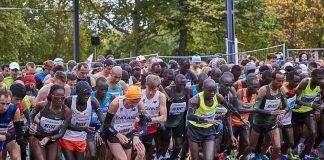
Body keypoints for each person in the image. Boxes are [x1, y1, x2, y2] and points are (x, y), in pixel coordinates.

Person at [187, 78, 248, 160]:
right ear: (203, 89)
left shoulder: (218, 97)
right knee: (195, 158)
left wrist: (241, 118)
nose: (212, 93)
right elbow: (190, 116)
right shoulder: (195, 99)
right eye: (210, 91)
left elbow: (230, 108)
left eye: (214, 90)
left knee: (209, 158)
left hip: (209, 130)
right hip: (194, 130)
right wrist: (206, 120)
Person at [240, 71, 288, 160]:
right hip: (259, 122)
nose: (281, 83)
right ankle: (241, 158)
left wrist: (282, 112)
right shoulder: (264, 90)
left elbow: (287, 106)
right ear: (272, 80)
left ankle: (260, 156)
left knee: (277, 146)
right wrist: (271, 112)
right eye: (279, 81)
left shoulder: (281, 90)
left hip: (271, 122)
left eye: (282, 81)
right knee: (252, 147)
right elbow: (255, 108)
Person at [59, 81, 105, 160]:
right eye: (84, 94)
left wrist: (98, 132)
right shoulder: (69, 101)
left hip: (81, 139)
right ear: (77, 93)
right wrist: (83, 129)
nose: (87, 97)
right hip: (67, 137)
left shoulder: (93, 101)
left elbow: (104, 122)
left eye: (88, 94)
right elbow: (65, 124)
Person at [28, 84, 72, 160]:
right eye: (57, 97)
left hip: (52, 139)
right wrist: (32, 124)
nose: (60, 99)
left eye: (62, 97)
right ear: (51, 96)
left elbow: (61, 133)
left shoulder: (67, 111)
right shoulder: (42, 105)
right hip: (37, 136)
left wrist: (49, 138)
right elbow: (31, 115)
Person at [103, 85, 147, 160]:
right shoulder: (116, 103)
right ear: (127, 98)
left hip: (129, 132)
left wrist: (136, 135)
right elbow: (106, 125)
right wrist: (117, 134)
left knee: (141, 155)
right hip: (113, 133)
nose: (134, 105)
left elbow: (144, 126)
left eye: (137, 102)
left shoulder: (140, 105)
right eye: (132, 102)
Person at [292, 68, 324, 159]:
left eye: (322, 78)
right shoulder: (305, 82)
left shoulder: (321, 84)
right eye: (318, 78)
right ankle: (289, 152)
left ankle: (306, 155)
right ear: (312, 76)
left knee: (313, 133)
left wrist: (318, 109)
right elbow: (295, 100)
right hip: (296, 111)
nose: (321, 81)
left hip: (308, 111)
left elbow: (321, 100)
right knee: (295, 137)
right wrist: (311, 104)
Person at [159, 74, 191, 159]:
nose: (182, 86)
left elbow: (189, 104)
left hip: (179, 120)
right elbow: (162, 106)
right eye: (180, 84)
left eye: (184, 84)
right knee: (165, 143)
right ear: (175, 83)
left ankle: (173, 158)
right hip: (167, 120)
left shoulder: (187, 90)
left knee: (179, 144)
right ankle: (161, 156)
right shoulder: (168, 90)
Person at [137, 74, 167, 160]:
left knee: (149, 150)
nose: (151, 93)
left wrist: (149, 119)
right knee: (139, 151)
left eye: (154, 90)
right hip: (138, 125)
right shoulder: (139, 93)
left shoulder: (161, 96)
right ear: (146, 85)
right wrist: (140, 120)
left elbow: (164, 117)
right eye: (149, 89)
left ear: (158, 87)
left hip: (151, 126)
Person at [232, 75, 259, 158]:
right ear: (248, 85)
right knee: (230, 143)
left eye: (257, 87)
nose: (256, 90)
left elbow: (257, 107)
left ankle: (239, 157)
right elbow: (239, 110)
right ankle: (228, 155)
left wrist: (251, 109)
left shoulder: (256, 94)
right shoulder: (240, 92)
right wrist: (254, 109)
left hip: (244, 122)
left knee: (246, 143)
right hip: (233, 122)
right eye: (254, 87)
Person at [87, 77, 110, 160]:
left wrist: (100, 131)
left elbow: (109, 118)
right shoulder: (89, 97)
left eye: (106, 89)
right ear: (96, 88)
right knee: (92, 155)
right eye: (101, 89)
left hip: (103, 127)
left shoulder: (110, 98)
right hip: (90, 128)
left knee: (102, 148)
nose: (104, 92)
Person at [280, 71, 300, 160]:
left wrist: (295, 105)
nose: (297, 83)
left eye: (298, 81)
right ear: (288, 80)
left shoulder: (294, 90)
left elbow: (291, 102)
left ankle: (284, 154)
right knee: (280, 142)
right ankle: (276, 152)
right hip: (278, 118)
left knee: (291, 142)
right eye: (295, 81)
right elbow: (282, 104)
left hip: (288, 119)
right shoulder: (283, 89)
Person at [0, 89, 24, 160]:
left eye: (8, 104)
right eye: (2, 103)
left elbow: (18, 131)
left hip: (8, 135)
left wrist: (19, 137)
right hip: (2, 136)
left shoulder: (14, 109)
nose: (5, 107)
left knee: (17, 158)